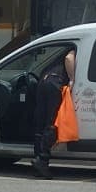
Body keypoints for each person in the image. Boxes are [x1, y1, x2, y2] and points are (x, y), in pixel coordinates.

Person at [32, 47, 77, 179]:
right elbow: (69, 58)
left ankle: (37, 159)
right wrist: (72, 79)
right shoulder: (73, 49)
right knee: (52, 122)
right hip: (55, 83)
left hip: (43, 81)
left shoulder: (58, 52)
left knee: (40, 122)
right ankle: (42, 160)